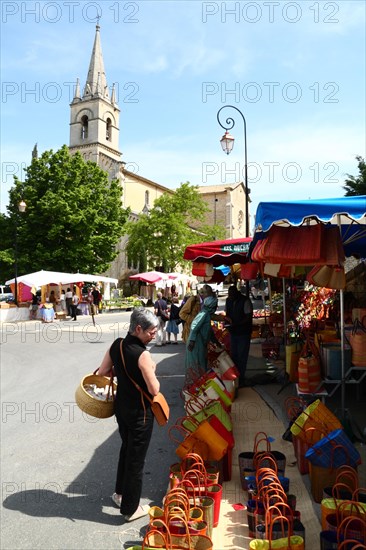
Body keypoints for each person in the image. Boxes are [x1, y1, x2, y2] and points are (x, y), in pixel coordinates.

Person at [96, 307, 160, 522]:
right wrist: (152, 368)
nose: (155, 335)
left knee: (126, 450)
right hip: (140, 414)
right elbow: (154, 390)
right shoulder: (143, 354)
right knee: (136, 461)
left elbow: (103, 372)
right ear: (138, 329)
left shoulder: (116, 345)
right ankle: (130, 509)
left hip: (121, 409)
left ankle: (120, 494)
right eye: (151, 332)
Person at [185, 295, 221, 383]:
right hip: (196, 343)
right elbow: (194, 326)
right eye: (216, 306)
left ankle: (200, 384)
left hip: (200, 343)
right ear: (212, 306)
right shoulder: (203, 314)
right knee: (197, 365)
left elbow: (209, 331)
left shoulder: (207, 314)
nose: (216, 307)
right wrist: (192, 340)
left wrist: (216, 342)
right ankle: (196, 385)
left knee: (202, 364)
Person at [224, 285, 253, 388]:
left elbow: (248, 316)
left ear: (237, 293)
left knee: (242, 356)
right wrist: (227, 322)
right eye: (229, 295)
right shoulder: (228, 301)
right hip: (233, 332)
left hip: (243, 332)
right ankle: (235, 377)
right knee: (234, 356)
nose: (230, 297)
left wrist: (237, 323)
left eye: (232, 295)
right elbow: (227, 314)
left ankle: (241, 378)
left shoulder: (245, 301)